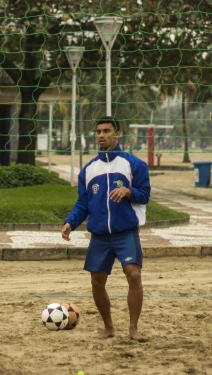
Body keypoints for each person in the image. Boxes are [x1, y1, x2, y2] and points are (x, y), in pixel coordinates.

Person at [61, 116, 151, 342]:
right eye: (98, 131)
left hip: (125, 232)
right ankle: (109, 327)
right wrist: (71, 222)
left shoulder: (134, 164)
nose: (101, 135)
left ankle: (133, 328)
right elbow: (83, 203)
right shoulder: (88, 169)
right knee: (97, 282)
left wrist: (129, 192)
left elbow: (145, 195)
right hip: (100, 236)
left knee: (134, 275)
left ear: (117, 134)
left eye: (106, 131)